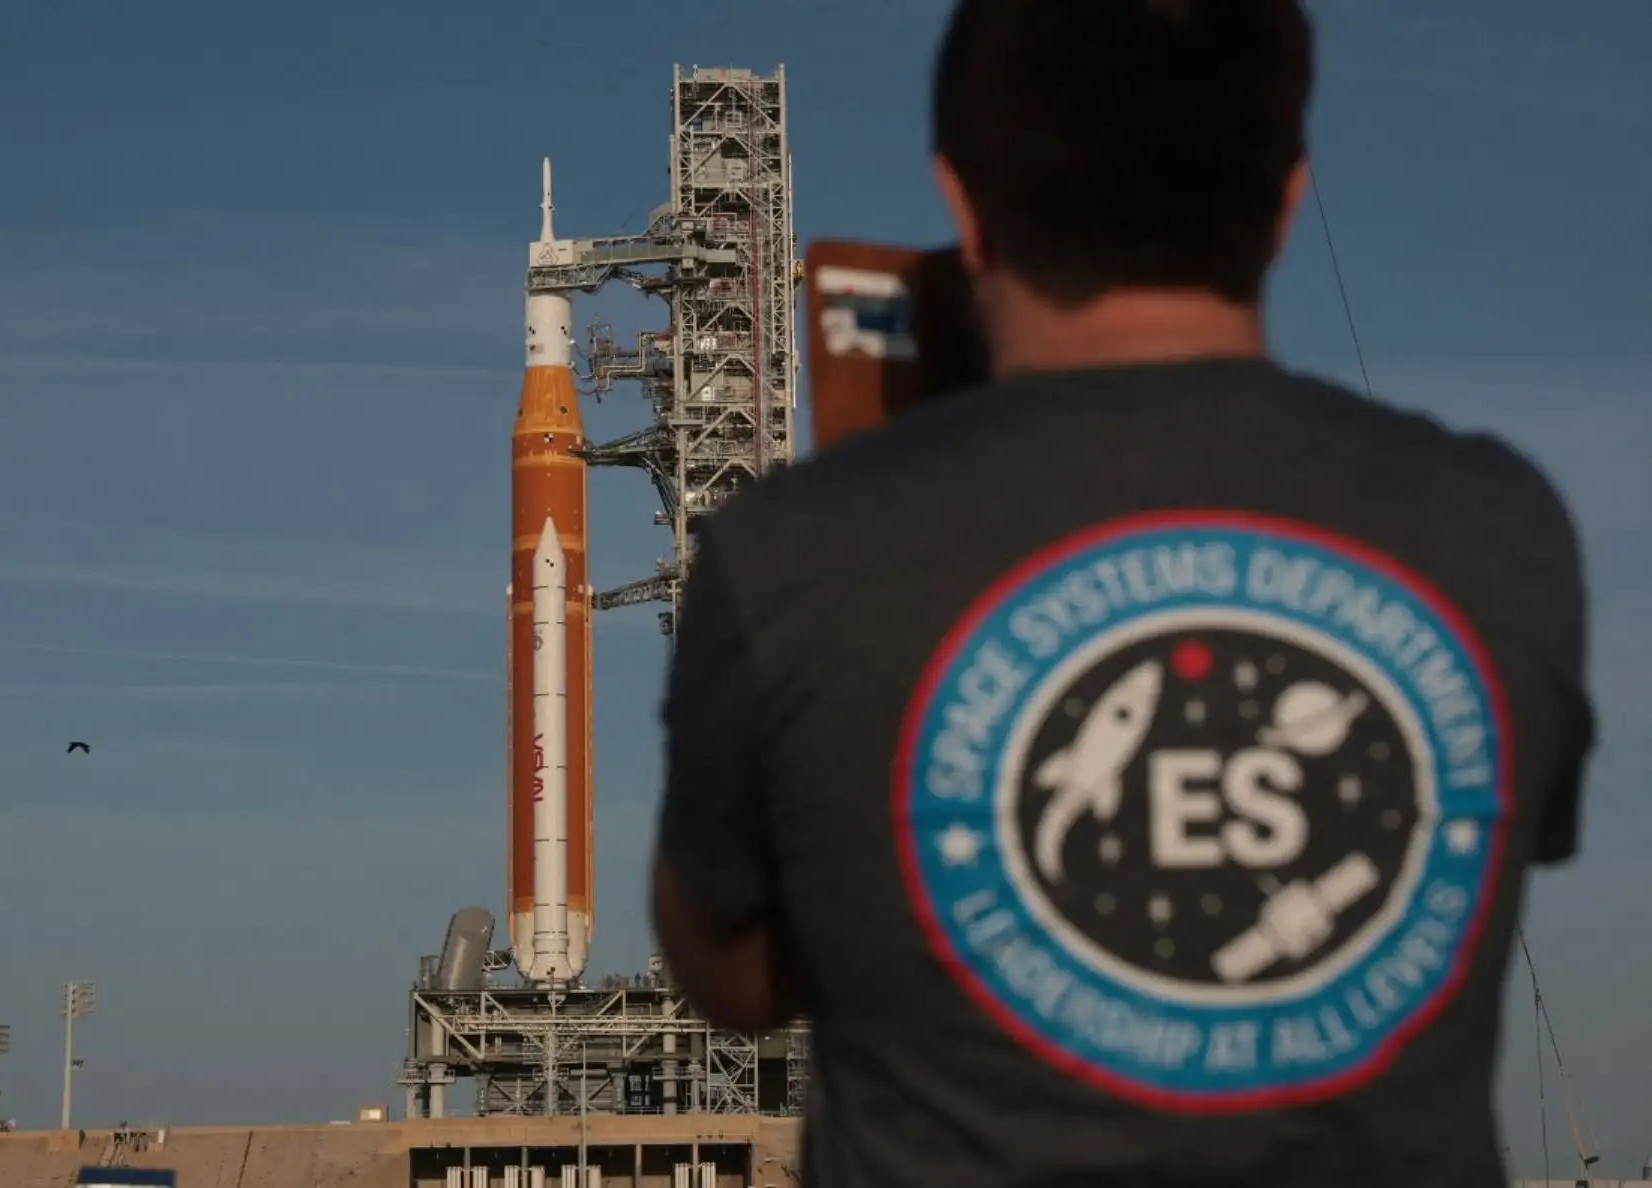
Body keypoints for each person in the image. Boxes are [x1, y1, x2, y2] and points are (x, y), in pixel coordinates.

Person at [649, 1, 1596, 1185]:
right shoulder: (1499, 533)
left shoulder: (790, 549)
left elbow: (735, 979)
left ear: (963, 205)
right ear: (1287, 201)